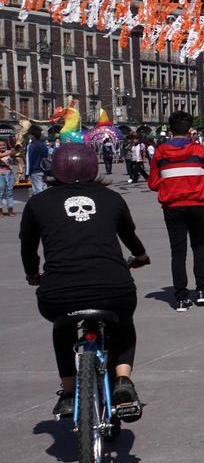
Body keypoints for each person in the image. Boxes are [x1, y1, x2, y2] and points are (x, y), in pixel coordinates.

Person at [21, 143, 149, 423]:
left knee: (62, 327)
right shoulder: (111, 198)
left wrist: (33, 273)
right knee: (123, 324)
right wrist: (140, 256)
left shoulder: (37, 203)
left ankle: (68, 394)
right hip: (113, 288)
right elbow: (129, 236)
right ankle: (123, 380)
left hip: (58, 293)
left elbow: (28, 247)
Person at [149, 111, 204, 312]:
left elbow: (154, 183)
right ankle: (202, 291)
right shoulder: (199, 150)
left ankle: (181, 297)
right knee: (199, 246)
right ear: (189, 130)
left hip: (173, 207)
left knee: (177, 252)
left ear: (170, 130)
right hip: (197, 204)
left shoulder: (160, 152)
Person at [25, 125, 49, 194]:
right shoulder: (44, 145)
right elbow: (46, 157)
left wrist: (27, 173)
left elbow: (29, 160)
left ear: (32, 135)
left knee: (38, 191)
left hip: (35, 171)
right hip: (44, 170)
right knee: (44, 189)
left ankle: (40, 204)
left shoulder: (31, 146)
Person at [0, 141, 15, 217]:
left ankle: (10, 211)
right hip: (1, 175)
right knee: (0, 193)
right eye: (0, 145)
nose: (2, 147)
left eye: (3, 145)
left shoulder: (7, 153)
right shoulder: (5, 153)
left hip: (9, 174)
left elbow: (14, 154)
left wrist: (13, 149)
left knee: (10, 192)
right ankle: (0, 212)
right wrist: (9, 152)